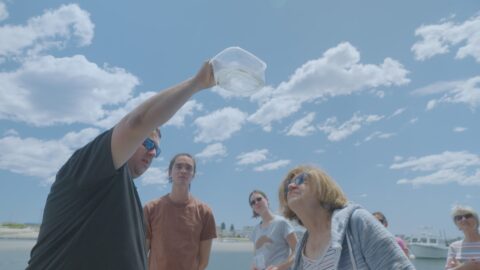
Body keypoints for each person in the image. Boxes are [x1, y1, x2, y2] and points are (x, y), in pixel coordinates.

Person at [26, 62, 216, 270]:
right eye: (148, 143)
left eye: (157, 150)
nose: (153, 153)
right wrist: (197, 83)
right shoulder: (90, 167)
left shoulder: (128, 196)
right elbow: (137, 122)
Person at [278, 165, 415, 270]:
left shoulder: (356, 222)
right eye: (287, 187)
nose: (291, 186)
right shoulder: (301, 252)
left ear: (322, 186)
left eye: (300, 179)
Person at [143, 153, 217, 270]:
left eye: (188, 168)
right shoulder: (150, 208)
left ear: (193, 175)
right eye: (178, 166)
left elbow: (203, 262)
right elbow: (142, 253)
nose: (183, 170)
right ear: (170, 172)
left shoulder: (205, 212)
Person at [248, 190, 297, 270]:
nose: (256, 203)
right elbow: (256, 255)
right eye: (253, 202)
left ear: (267, 200)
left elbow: (297, 250)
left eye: (259, 199)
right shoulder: (255, 230)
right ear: (253, 208)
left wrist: (278, 267)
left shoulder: (282, 223)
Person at [445, 205, 480, 270]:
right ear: (457, 225)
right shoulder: (454, 247)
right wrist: (464, 266)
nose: (463, 219)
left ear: (477, 220)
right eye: (459, 218)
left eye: (468, 216)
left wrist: (459, 266)